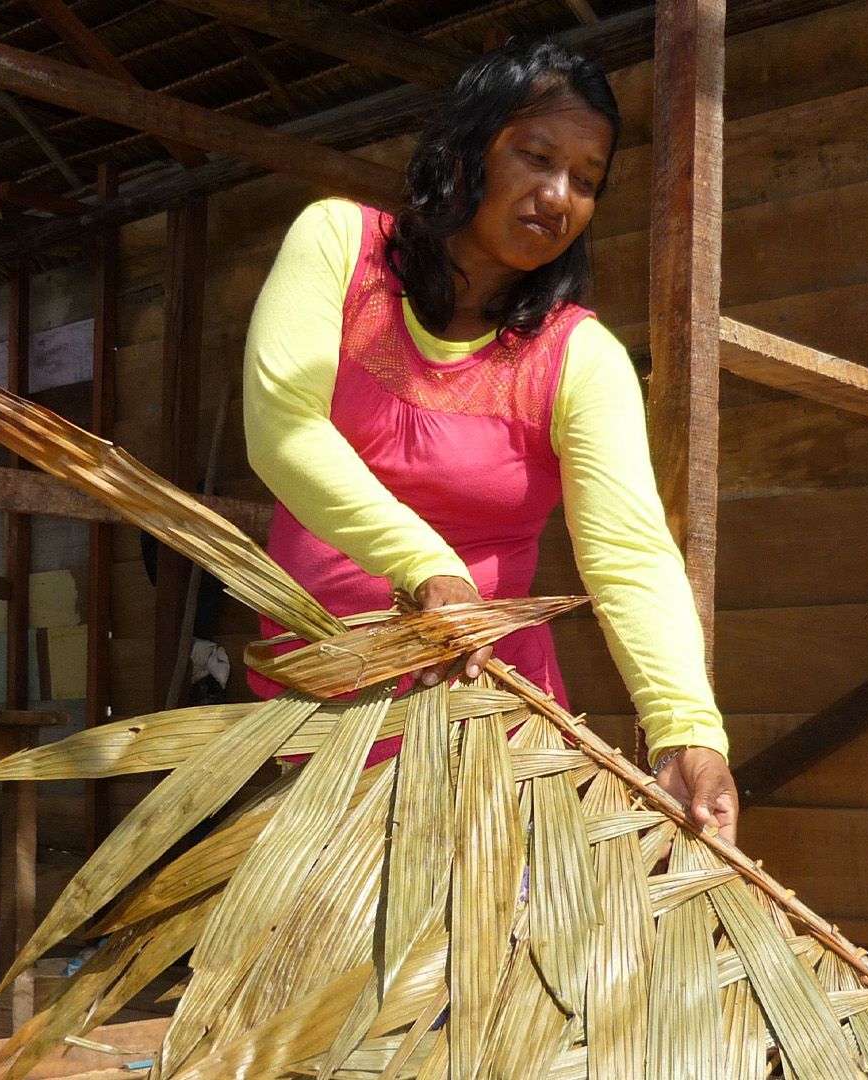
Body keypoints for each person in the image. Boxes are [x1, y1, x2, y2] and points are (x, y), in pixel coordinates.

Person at [242, 37, 739, 842]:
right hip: (316, 728)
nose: (558, 195)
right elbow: (283, 430)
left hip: (491, 738)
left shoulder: (580, 355)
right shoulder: (338, 247)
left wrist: (690, 733)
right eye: (536, 156)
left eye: (586, 180)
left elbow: (630, 556)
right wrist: (430, 567)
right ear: (469, 146)